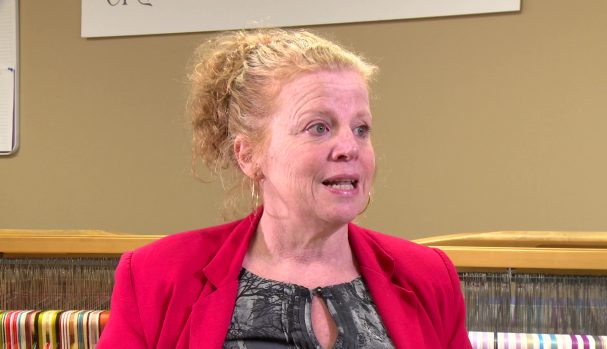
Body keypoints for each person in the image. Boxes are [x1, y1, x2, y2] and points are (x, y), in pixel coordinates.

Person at [97, 28, 472, 349]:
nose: (350, 147)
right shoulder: (156, 276)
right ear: (249, 155)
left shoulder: (428, 275)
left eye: (361, 129)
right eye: (318, 127)